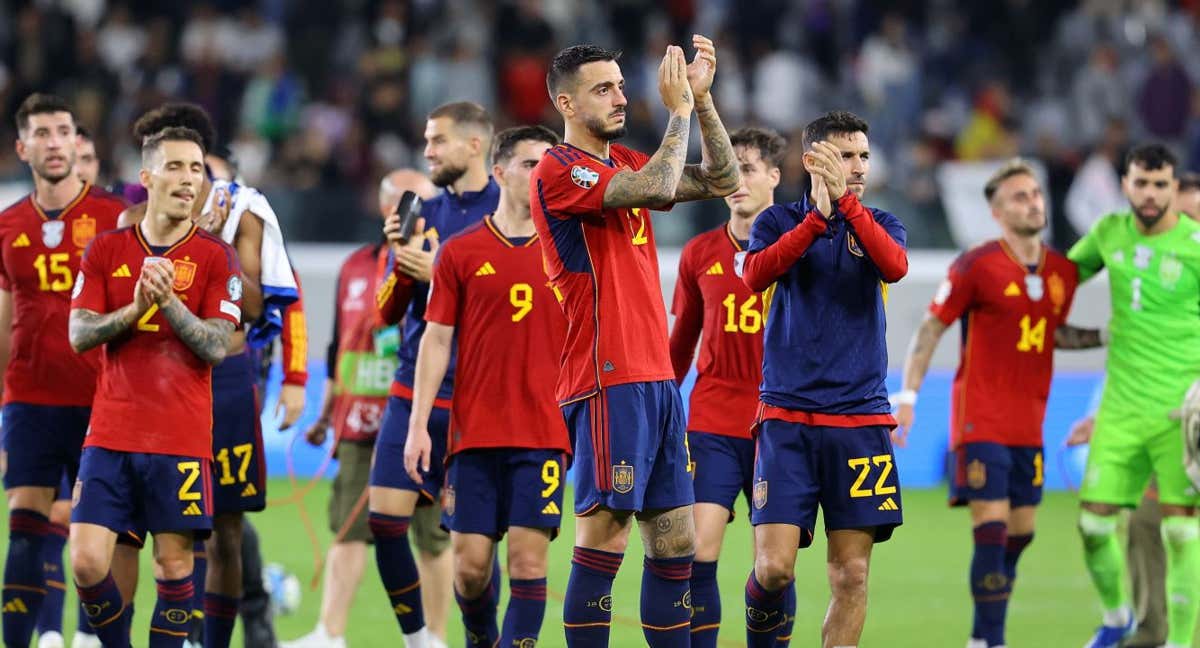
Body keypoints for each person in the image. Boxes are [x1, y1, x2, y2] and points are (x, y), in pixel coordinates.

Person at [530, 39, 739, 646]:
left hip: (655, 378)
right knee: (607, 534)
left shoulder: (623, 157)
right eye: (604, 89)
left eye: (622, 85)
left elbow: (723, 178)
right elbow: (655, 188)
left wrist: (700, 101)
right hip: (605, 376)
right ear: (566, 102)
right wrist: (676, 112)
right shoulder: (559, 168)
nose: (621, 97)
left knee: (677, 540)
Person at [892, 159, 1097, 648]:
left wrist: (1108, 335)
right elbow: (932, 327)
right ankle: (987, 639)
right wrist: (908, 395)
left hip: (1030, 424)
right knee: (992, 526)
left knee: (1022, 532)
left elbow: (1051, 332)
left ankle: (989, 617)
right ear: (997, 211)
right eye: (1020, 197)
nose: (1033, 202)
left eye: (1036, 194)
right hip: (979, 419)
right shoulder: (977, 264)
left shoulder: (1061, 272)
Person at [66, 126, 242, 648]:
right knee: (86, 559)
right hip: (111, 432)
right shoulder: (106, 249)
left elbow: (215, 345)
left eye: (196, 169)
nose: (189, 179)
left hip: (180, 437)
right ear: (147, 178)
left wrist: (168, 303)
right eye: (176, 167)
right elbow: (80, 333)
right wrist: (137, 308)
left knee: (173, 564)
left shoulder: (216, 257)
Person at [738, 110, 906, 647]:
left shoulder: (881, 222)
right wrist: (818, 218)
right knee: (773, 569)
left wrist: (848, 208)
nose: (857, 166)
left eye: (863, 156)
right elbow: (755, 274)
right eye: (844, 155)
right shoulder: (778, 222)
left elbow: (895, 266)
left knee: (851, 574)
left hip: (860, 420)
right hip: (787, 418)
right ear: (812, 159)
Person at [405, 124, 568, 647]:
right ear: (499, 173)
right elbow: (435, 341)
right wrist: (417, 427)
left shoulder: (570, 251)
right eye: (529, 163)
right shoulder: (460, 251)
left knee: (525, 560)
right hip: (473, 433)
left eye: (550, 163)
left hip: (543, 433)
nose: (542, 173)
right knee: (471, 570)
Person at [282, 168, 436, 648]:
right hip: (358, 417)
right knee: (348, 530)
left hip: (422, 418)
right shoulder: (354, 265)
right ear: (385, 208)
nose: (412, 212)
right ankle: (330, 633)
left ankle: (436, 637)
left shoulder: (444, 262)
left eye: (422, 203)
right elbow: (338, 348)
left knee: (433, 538)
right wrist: (326, 412)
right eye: (404, 202)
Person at [371, 101, 499, 648]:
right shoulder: (420, 210)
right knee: (384, 522)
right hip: (414, 388)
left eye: (437, 141)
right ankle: (419, 638)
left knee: (477, 550)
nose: (427, 151)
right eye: (426, 141)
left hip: (482, 398)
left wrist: (442, 265)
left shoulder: (511, 207)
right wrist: (401, 263)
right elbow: (384, 310)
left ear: (474, 144)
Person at [0, 93, 125, 648]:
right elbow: (4, 322)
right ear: (22, 147)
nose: (55, 143)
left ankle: (98, 640)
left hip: (102, 401)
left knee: (105, 540)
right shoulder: (7, 226)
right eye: (42, 133)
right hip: (29, 399)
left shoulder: (113, 218)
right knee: (24, 529)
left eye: (64, 132)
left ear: (78, 143)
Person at [1067, 144, 1200, 648]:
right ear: (1125, 184)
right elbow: (1058, 282)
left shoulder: (1195, 244)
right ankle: (1118, 617)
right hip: (1121, 410)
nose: (1150, 194)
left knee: (1181, 533)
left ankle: (1179, 643)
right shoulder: (1107, 234)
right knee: (1094, 526)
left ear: (1171, 187)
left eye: (1160, 184)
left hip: (1180, 412)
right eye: (1141, 183)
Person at [667, 126, 788, 646]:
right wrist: (660, 410)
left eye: (751, 168)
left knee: (775, 566)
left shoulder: (797, 246)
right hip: (712, 419)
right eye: (730, 170)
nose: (738, 180)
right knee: (697, 550)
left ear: (775, 177)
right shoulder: (698, 254)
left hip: (779, 425)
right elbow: (680, 343)